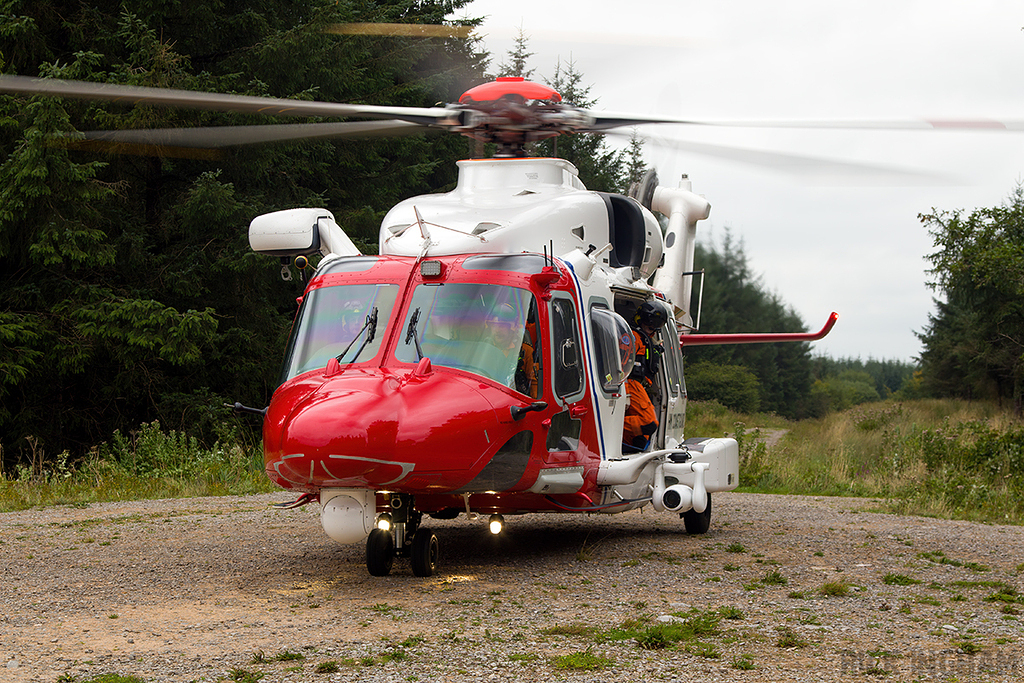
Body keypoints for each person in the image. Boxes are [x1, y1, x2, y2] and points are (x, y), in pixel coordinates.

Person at [622, 301, 667, 450]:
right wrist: (626, 393)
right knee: (649, 423)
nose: (652, 326)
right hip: (631, 384)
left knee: (641, 438)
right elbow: (622, 364)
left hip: (640, 386)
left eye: (657, 324)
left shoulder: (646, 340)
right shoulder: (633, 337)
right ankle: (609, 425)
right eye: (650, 322)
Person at [486, 303, 538, 397]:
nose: (497, 330)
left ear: (512, 328)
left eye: (502, 326)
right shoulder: (484, 349)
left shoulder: (525, 351)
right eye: (494, 325)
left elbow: (534, 383)